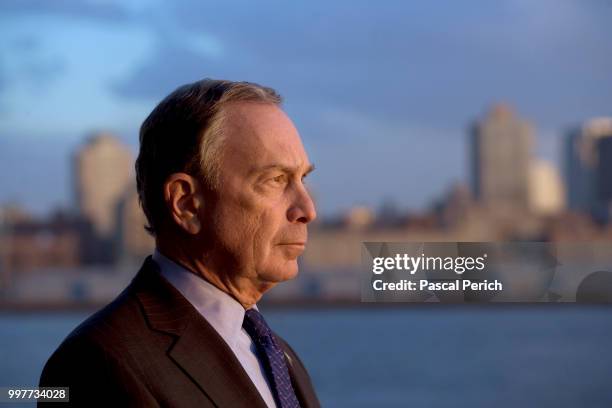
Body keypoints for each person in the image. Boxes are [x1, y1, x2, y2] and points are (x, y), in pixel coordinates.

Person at [39, 79, 320, 408]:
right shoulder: (96, 362)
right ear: (186, 204)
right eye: (275, 180)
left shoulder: (278, 355)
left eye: (303, 179)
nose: (307, 210)